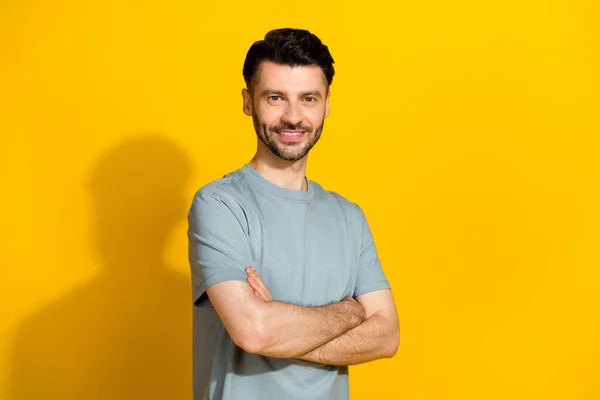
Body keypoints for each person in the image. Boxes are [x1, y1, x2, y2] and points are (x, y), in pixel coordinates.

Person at [187, 27, 399, 400]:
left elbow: (387, 336)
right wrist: (348, 314)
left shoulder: (349, 217)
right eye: (275, 97)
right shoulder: (219, 205)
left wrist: (281, 329)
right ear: (248, 101)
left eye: (308, 99)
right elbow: (253, 331)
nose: (293, 117)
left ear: (327, 104)